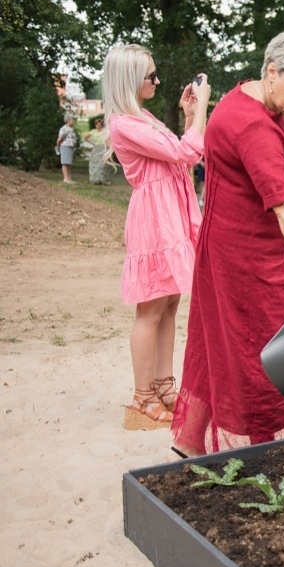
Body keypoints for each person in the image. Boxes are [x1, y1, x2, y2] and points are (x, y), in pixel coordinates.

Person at [172, 27, 284, 455]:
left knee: (219, 349)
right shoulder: (254, 127)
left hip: (227, 251)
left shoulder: (243, 99)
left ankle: (191, 447)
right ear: (271, 71)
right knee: (262, 359)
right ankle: (264, 455)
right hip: (251, 262)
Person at [102, 44, 209, 430]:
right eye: (151, 76)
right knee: (150, 309)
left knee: (169, 304)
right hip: (154, 218)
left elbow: (181, 154)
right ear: (131, 80)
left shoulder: (141, 116)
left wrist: (190, 116)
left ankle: (164, 386)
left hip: (171, 214)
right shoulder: (124, 124)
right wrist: (203, 112)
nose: (158, 81)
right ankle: (142, 399)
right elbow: (185, 153)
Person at [82, 116, 112, 184]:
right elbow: (85, 137)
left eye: (99, 125)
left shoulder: (104, 131)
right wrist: (93, 143)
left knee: (103, 164)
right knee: (95, 164)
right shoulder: (93, 132)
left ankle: (104, 179)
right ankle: (95, 179)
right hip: (96, 148)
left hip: (103, 148)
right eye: (97, 125)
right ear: (95, 125)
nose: (98, 126)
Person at [56, 114, 78, 184]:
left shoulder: (71, 129)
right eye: (72, 120)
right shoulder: (64, 129)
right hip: (65, 146)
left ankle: (69, 178)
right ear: (68, 120)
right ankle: (65, 178)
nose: (73, 121)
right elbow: (60, 139)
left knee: (68, 163)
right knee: (65, 163)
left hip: (70, 147)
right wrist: (58, 146)